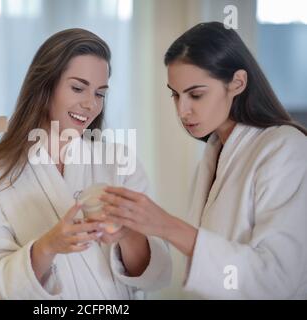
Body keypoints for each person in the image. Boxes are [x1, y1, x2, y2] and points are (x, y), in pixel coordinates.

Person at [101, 22, 307, 299]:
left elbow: (277, 280)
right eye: (175, 94)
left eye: (196, 94)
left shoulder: (286, 149)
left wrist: (166, 225)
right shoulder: (214, 156)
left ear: (237, 83)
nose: (182, 110)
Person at [0, 28, 172, 299]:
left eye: (100, 93)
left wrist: (126, 233)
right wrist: (48, 246)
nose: (90, 104)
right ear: (45, 86)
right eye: (77, 88)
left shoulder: (120, 162)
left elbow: (158, 274)